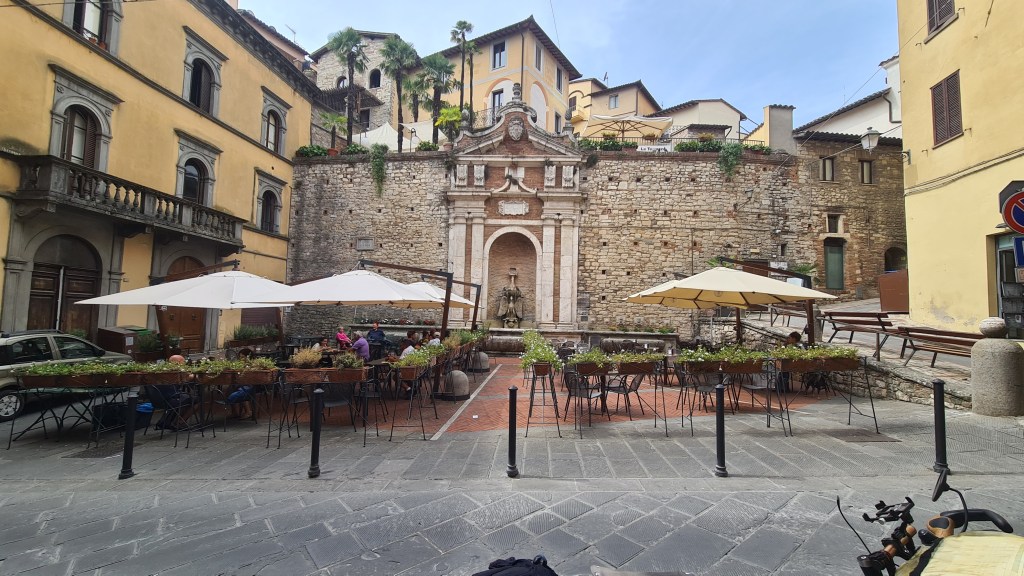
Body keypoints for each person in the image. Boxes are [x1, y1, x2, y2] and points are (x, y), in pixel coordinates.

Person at [152, 355, 195, 430]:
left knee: (185, 398)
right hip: (171, 399)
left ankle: (171, 421)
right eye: (183, 362)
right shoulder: (175, 372)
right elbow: (187, 379)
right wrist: (194, 374)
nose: (184, 364)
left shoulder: (162, 370)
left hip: (156, 400)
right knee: (196, 400)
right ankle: (180, 423)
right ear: (177, 363)